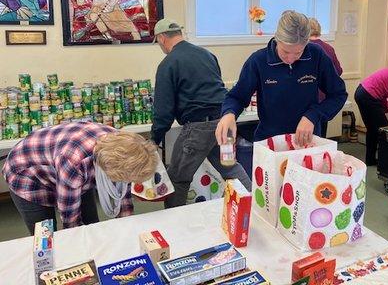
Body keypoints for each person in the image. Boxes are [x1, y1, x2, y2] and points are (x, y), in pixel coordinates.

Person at [151, 18, 251, 208]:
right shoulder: (207, 54)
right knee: (230, 168)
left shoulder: (168, 63)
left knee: (178, 179)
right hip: (224, 123)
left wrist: (155, 138)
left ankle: (171, 222)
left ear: (162, 38)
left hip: (198, 127)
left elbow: (163, 109)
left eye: (157, 41)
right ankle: (255, 206)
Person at [215, 10, 347, 146]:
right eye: (285, 52)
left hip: (306, 142)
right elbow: (236, 97)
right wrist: (229, 114)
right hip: (269, 141)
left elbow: (338, 95)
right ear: (276, 39)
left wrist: (313, 116)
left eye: (298, 53)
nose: (290, 59)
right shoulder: (259, 61)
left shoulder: (316, 56)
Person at [2, 122, 158, 234]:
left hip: (61, 164)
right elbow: (70, 221)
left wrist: (126, 227)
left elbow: (122, 192)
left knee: (91, 225)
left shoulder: (126, 148)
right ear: (112, 169)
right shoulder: (74, 161)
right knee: (45, 234)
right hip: (27, 175)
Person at [308, 18, 343, 138]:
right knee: (321, 135)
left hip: (308, 99)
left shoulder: (304, 48)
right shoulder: (328, 48)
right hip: (325, 99)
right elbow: (338, 71)